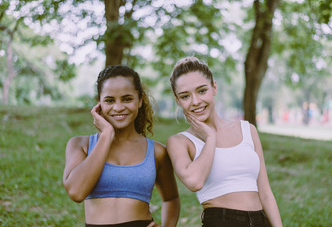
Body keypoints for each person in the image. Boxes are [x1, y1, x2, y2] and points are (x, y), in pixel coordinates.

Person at [167, 57, 282, 227]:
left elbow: (265, 192)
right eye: (185, 96)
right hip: (221, 221)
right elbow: (194, 182)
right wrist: (210, 138)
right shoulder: (180, 142)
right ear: (178, 100)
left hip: (260, 221)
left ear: (214, 87)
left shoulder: (247, 130)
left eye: (201, 91)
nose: (196, 101)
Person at [63, 65, 180, 227]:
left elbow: (171, 199)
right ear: (99, 104)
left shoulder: (157, 152)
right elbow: (76, 192)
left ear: (139, 100)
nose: (118, 107)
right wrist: (106, 136)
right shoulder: (79, 145)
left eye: (127, 99)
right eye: (110, 100)